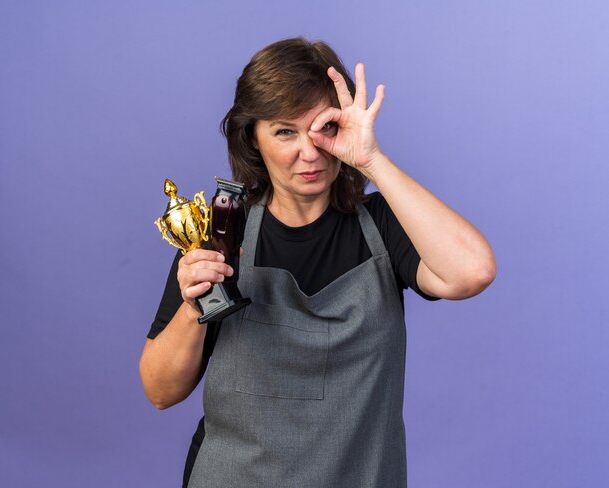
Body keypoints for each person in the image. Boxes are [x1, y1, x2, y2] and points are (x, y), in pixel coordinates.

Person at [139, 37, 496, 488]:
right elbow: (160, 391)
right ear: (253, 137)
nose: (309, 153)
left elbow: (473, 271)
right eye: (285, 131)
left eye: (323, 128)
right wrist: (194, 309)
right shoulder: (218, 232)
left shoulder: (383, 227)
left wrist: (371, 160)